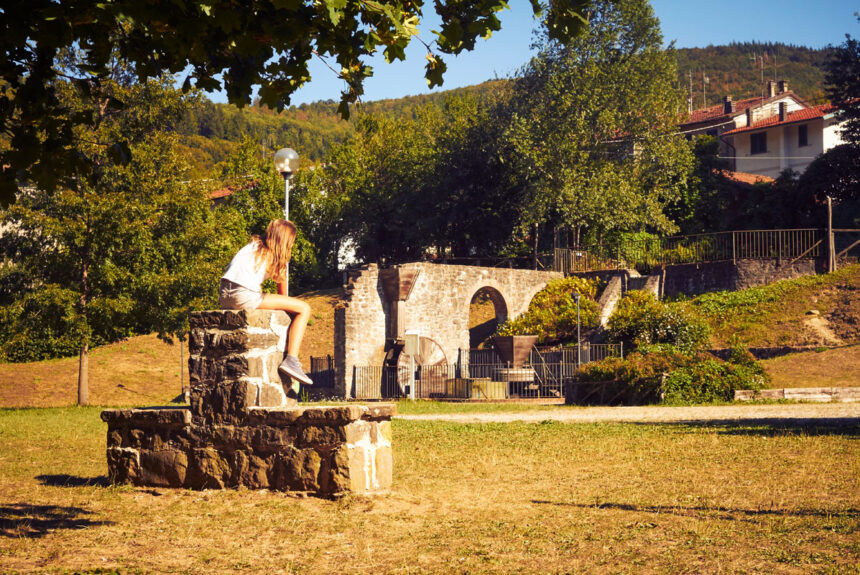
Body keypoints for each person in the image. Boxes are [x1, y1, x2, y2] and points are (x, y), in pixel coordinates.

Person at [219, 219, 313, 387]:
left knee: (270, 297)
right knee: (304, 309)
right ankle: (292, 359)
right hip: (244, 295)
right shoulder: (276, 257)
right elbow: (283, 294)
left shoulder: (252, 247)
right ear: (285, 240)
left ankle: (292, 359)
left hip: (224, 294)